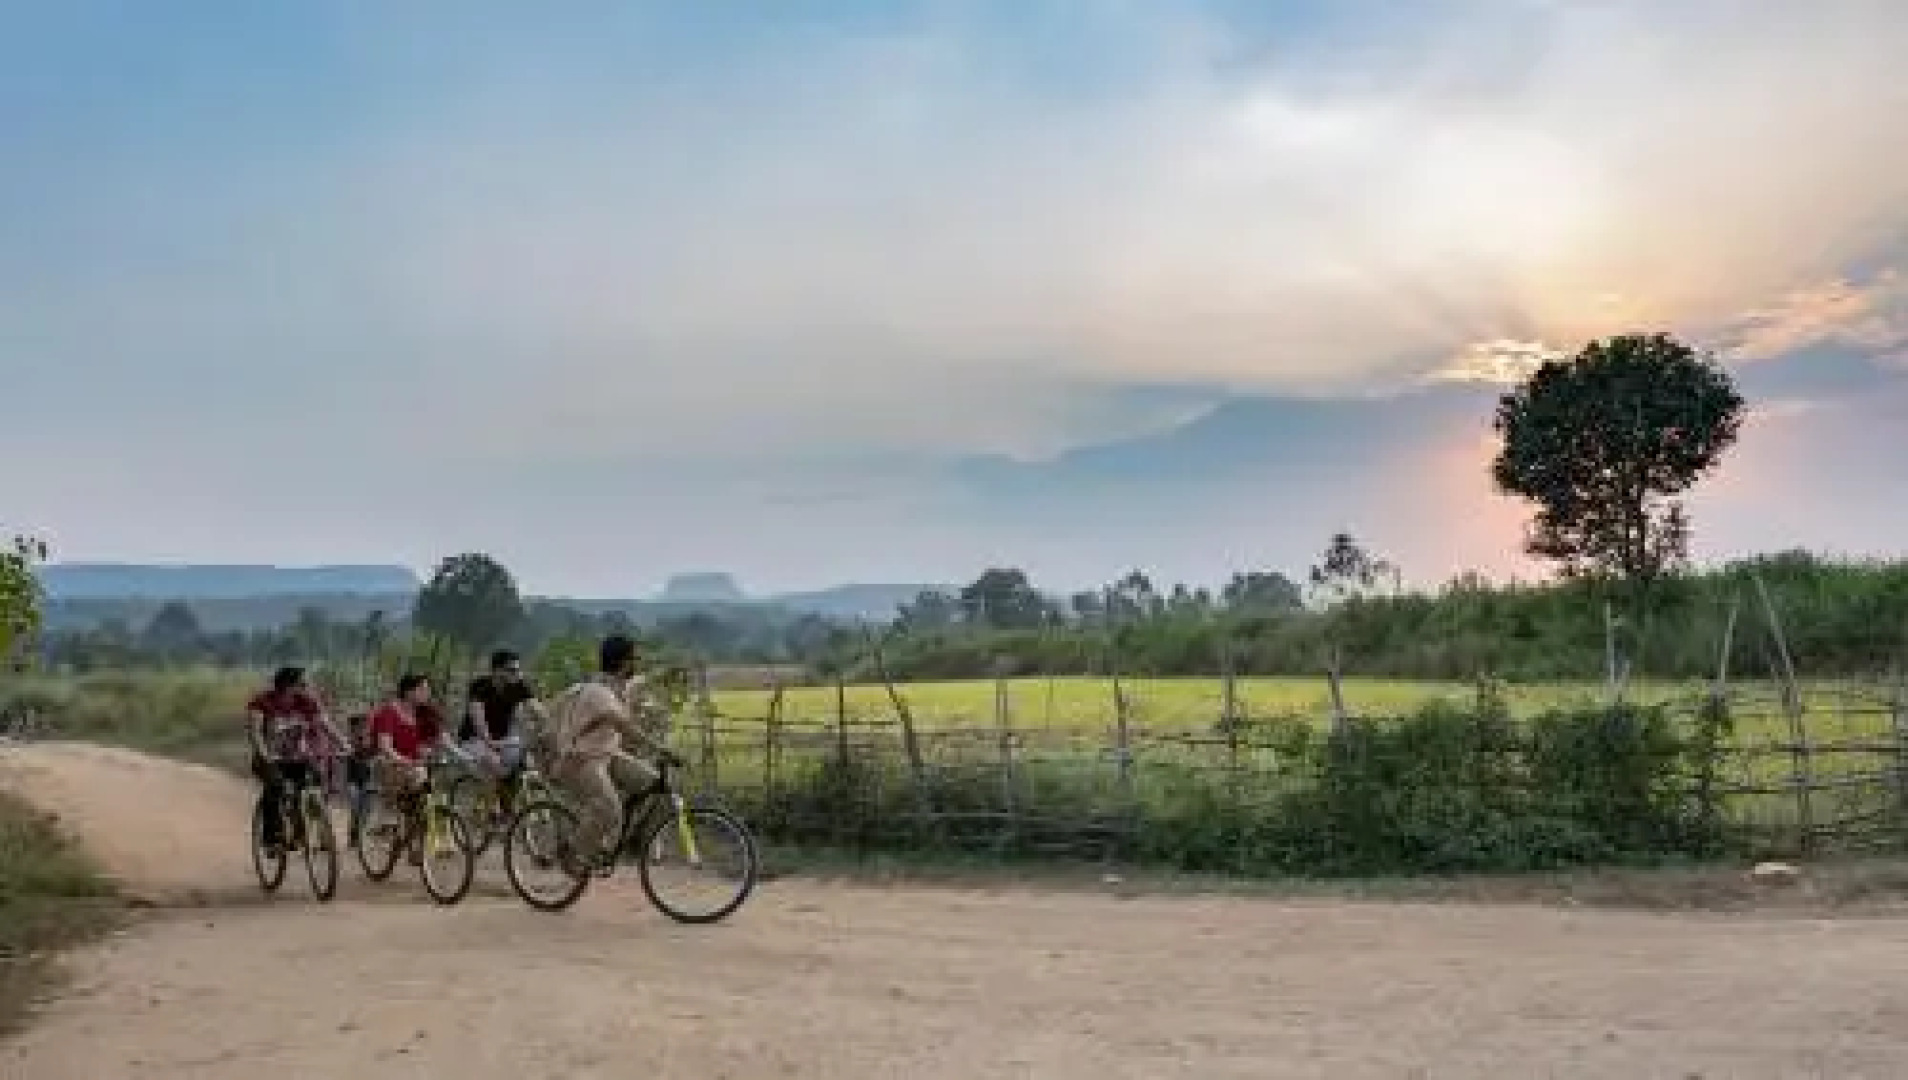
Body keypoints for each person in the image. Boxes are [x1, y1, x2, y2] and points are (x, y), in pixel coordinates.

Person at [545, 634, 681, 873]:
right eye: (634, 659)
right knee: (609, 808)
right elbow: (622, 725)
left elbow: (632, 705)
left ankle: (632, 842)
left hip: (607, 754)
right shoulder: (598, 691)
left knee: (659, 787)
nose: (637, 663)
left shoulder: (619, 688)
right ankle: (573, 852)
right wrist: (659, 748)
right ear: (624, 662)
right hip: (580, 759)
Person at [245, 666, 347, 855]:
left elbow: (326, 725)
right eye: (301, 683)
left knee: (315, 779)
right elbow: (255, 732)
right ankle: (271, 837)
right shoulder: (262, 702)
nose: (305, 686)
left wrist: (344, 744)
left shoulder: (307, 702)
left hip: (297, 758)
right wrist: (264, 754)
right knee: (276, 786)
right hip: (269, 759)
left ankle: (301, 830)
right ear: (288, 686)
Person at [458, 649, 536, 815]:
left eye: (518, 670)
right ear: (497, 671)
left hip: (503, 739)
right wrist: (489, 742)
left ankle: (508, 803)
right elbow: (478, 717)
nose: (517, 674)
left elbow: (537, 709)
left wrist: (550, 728)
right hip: (474, 738)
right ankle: (491, 812)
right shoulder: (480, 686)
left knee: (527, 762)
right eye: (512, 670)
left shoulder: (519, 686)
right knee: (493, 762)